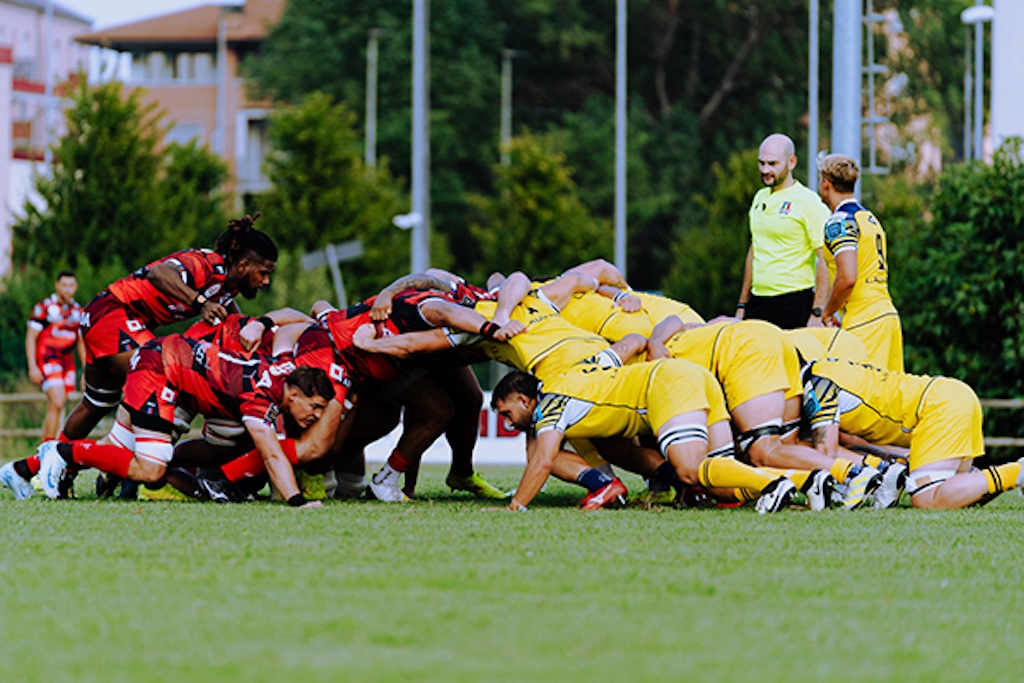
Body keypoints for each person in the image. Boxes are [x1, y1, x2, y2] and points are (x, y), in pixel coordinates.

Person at [0, 216, 278, 498]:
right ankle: (112, 474)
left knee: (97, 403)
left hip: (104, 316)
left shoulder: (227, 287)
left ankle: (31, 470)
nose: (266, 281)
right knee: (158, 378)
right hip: (113, 314)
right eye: (264, 273)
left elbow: (234, 322)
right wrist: (201, 303)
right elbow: (159, 274)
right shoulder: (208, 265)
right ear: (243, 266)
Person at [34, 334, 333, 508]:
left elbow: (284, 331)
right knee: (151, 468)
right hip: (162, 368)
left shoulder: (286, 368)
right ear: (293, 395)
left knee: (118, 449)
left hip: (178, 374)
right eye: (315, 406)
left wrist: (265, 323)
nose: (317, 415)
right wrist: (297, 502)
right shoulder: (260, 398)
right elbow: (271, 454)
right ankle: (60, 452)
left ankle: (25, 468)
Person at [490, 364, 797, 513]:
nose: (507, 421)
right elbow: (621, 350)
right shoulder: (565, 380)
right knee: (724, 491)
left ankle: (770, 483)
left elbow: (543, 460)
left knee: (692, 467)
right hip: (691, 374)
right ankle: (808, 479)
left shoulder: (550, 405)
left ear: (524, 399)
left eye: (506, 413)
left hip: (667, 383)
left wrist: (514, 506)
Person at [801, 358, 1024, 510]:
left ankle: (1017, 472)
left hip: (937, 405)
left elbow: (825, 453)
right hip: (947, 395)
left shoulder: (816, 383)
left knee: (926, 497)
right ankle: (1013, 476)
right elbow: (852, 439)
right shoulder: (825, 367)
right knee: (959, 493)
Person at [816, 153, 904, 372]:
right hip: (887, 316)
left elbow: (847, 278)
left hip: (864, 321)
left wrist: (827, 313)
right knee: (889, 400)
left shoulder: (840, 221)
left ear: (826, 184)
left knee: (860, 398)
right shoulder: (869, 218)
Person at [736, 133, 832, 329]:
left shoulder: (807, 201)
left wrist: (817, 312)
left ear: (791, 162)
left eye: (772, 164)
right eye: (761, 163)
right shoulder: (759, 198)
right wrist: (742, 305)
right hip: (758, 303)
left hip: (794, 303)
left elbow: (826, 259)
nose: (765, 170)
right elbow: (755, 250)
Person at [24, 270, 85, 441]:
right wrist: (32, 366)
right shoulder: (43, 308)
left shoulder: (78, 311)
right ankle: (47, 449)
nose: (67, 289)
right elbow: (31, 337)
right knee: (57, 401)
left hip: (68, 364)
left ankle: (53, 446)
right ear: (57, 285)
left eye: (71, 285)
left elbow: (81, 343)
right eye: (64, 285)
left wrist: (85, 370)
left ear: (76, 287)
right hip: (48, 359)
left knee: (58, 406)